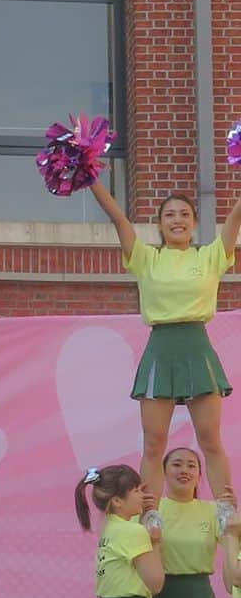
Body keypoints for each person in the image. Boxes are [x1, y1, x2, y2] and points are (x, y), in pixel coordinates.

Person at [90, 183, 241, 526]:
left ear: (194, 223)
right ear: (159, 224)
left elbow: (235, 216)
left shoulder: (209, 256)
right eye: (170, 215)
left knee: (210, 438)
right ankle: (150, 512)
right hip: (160, 349)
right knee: (155, 443)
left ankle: (225, 508)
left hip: (197, 348)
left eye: (185, 215)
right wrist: (92, 178)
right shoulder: (146, 257)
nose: (178, 220)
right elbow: (117, 217)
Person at [149, 447, 231, 598]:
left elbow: (234, 546)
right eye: (177, 465)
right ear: (163, 472)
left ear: (200, 475)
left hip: (199, 596)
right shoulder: (152, 511)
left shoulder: (213, 510)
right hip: (160, 594)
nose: (184, 471)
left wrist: (232, 515)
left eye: (191, 466)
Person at [76, 464, 165, 598]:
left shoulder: (108, 528)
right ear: (117, 501)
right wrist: (155, 541)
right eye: (137, 491)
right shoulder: (133, 531)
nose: (142, 495)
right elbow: (156, 584)